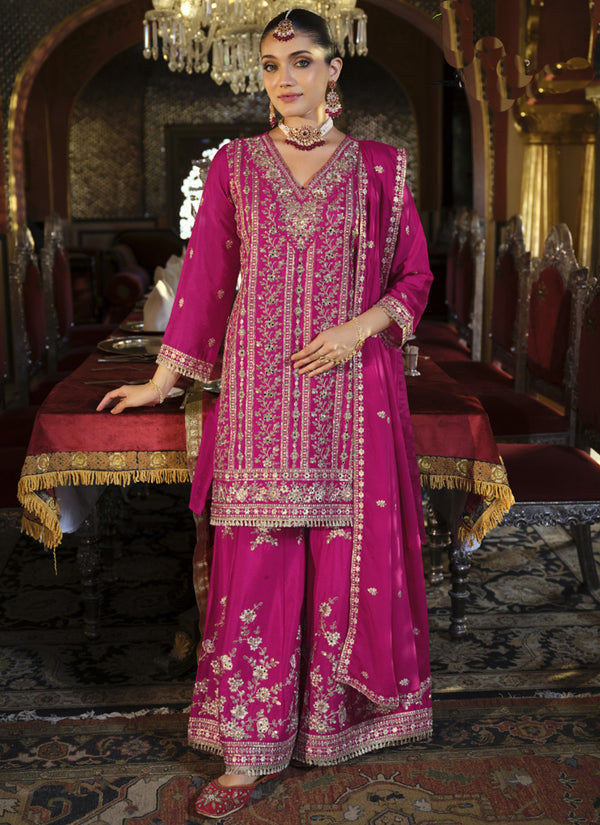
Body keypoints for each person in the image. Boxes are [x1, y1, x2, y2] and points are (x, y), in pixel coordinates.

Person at [97, 8, 433, 819]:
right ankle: (247, 748)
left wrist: (357, 328)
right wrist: (162, 380)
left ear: (333, 70)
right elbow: (207, 277)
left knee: (341, 560)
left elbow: (415, 279)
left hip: (351, 395)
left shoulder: (381, 168)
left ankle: (332, 725)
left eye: (303, 60)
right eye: (273, 64)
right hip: (257, 393)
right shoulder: (236, 165)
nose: (286, 77)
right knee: (257, 567)